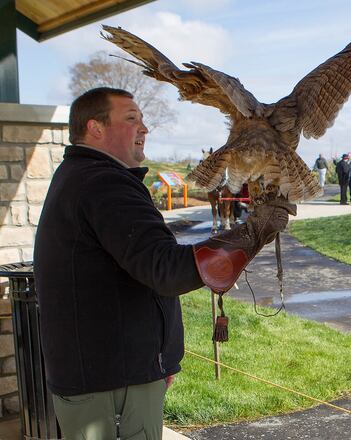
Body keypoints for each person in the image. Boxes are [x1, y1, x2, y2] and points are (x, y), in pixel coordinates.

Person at [33, 87, 292, 440]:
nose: (144, 128)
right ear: (95, 128)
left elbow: (138, 263)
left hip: (108, 375)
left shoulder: (83, 176)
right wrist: (252, 233)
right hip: (112, 383)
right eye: (131, 118)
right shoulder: (104, 183)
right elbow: (166, 271)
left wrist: (158, 361)